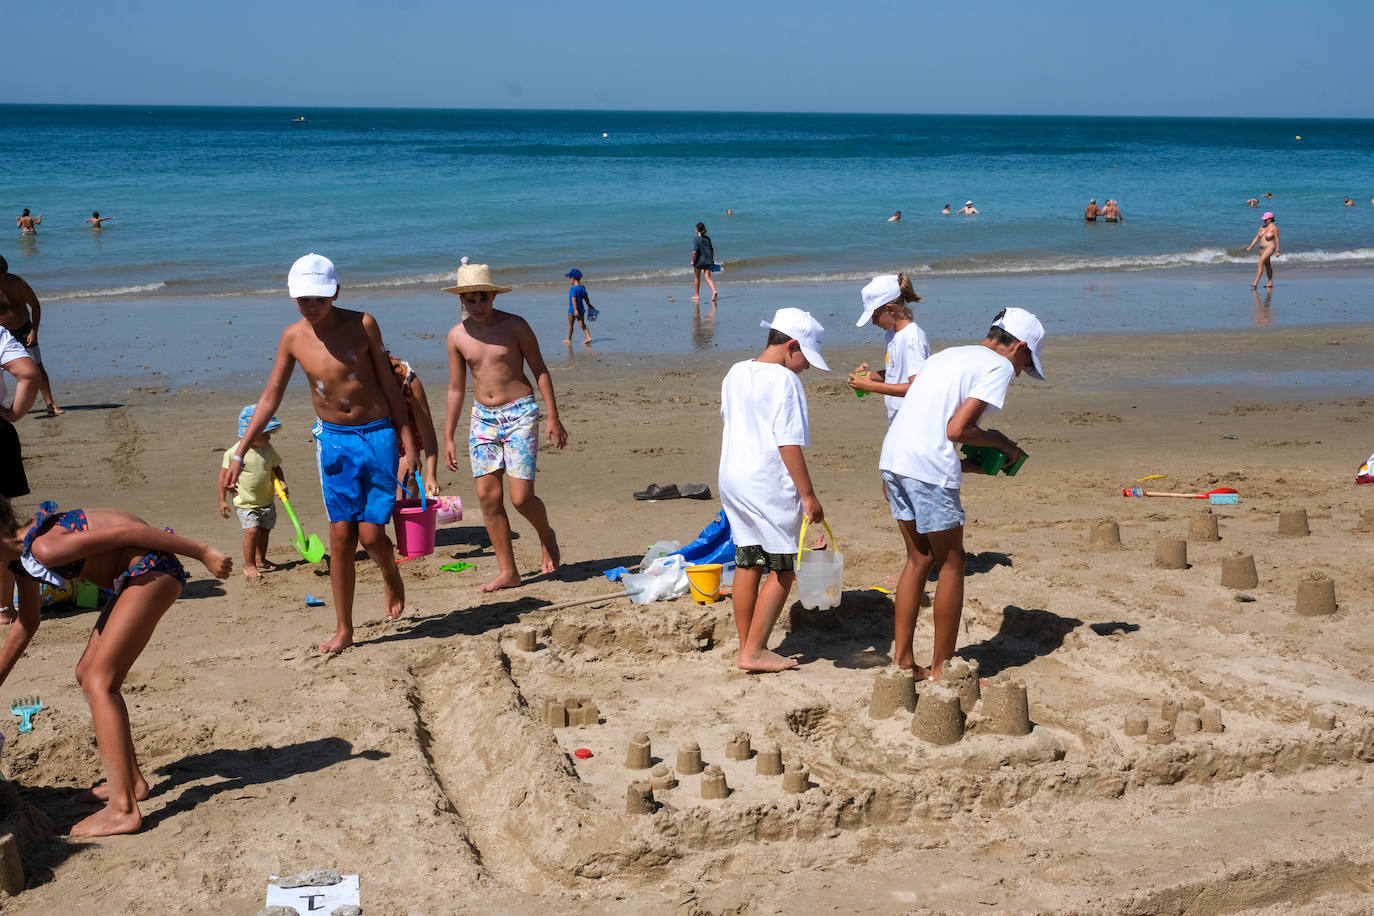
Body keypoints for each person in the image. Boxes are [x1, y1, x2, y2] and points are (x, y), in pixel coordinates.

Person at [0, 495, 232, 836]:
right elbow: (26, 624)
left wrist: (202, 552)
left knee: (99, 682)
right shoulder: (22, 560)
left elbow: (130, 533)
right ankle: (132, 782)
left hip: (152, 572)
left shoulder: (44, 548)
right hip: (133, 578)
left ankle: (123, 809)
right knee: (87, 673)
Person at [227, 253, 418, 654]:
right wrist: (240, 452)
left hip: (378, 436)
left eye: (319, 297)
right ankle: (344, 628)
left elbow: (389, 387)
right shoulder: (293, 337)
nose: (312, 305)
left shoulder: (363, 323)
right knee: (342, 536)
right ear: (293, 298)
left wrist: (409, 446)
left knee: (371, 536)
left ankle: (389, 572)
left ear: (335, 292)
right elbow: (270, 397)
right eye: (303, 299)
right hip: (334, 442)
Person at [878, 307, 1045, 680]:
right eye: (1025, 363)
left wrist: (969, 464)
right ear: (1018, 347)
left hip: (893, 459)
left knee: (917, 560)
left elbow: (931, 427)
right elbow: (957, 429)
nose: (1019, 373)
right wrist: (1002, 443)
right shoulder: (998, 367)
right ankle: (942, 668)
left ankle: (903, 661)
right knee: (952, 563)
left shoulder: (947, 355)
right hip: (925, 469)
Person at [443, 258, 566, 592]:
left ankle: (546, 535)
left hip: (520, 413)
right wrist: (449, 437)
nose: (478, 304)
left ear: (493, 297)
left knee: (521, 498)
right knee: (487, 497)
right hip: (482, 417)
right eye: (471, 299)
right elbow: (456, 388)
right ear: (461, 301)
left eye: (483, 297)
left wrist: (553, 416)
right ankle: (508, 570)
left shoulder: (515, 326)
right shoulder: (457, 336)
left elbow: (540, 370)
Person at [719, 308, 828, 673]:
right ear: (791, 345)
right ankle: (755, 651)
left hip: (732, 477)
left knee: (748, 560)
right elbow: (788, 443)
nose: (806, 367)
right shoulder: (784, 381)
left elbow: (732, 421)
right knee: (782, 566)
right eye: (806, 359)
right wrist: (808, 495)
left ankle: (746, 644)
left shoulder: (735, 371)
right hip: (767, 480)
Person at [848, 274, 928, 422]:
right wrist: (870, 377)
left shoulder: (911, 338)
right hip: (898, 416)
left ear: (890, 309)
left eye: (874, 316)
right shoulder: (892, 335)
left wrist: (871, 387)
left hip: (913, 418)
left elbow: (917, 387)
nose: (873, 322)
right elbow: (897, 371)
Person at [218, 405, 285, 579]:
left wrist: (282, 483)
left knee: (265, 531)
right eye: (264, 433)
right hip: (245, 502)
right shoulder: (234, 453)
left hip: (266, 500)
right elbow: (223, 478)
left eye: (270, 433)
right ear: (249, 433)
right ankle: (249, 564)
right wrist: (222, 500)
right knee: (252, 532)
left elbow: (276, 468)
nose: (268, 437)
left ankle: (261, 558)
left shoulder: (268, 449)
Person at [0, 255, 63, 415]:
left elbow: (35, 305)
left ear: (4, 271)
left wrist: (34, 330)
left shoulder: (17, 284)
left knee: (37, 367)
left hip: (23, 330)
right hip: (2, 335)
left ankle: (50, 403)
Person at [387, 349, 440, 498]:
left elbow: (428, 433)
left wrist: (431, 475)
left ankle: (407, 512)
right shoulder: (359, 378)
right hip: (373, 428)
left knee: (407, 475)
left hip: (404, 430)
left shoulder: (407, 381)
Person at [1246, 212, 1280, 288]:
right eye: (1264, 219)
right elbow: (1257, 237)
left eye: (1265, 219)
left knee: (1260, 263)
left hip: (1270, 247)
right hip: (1262, 249)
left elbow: (1277, 239)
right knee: (1267, 265)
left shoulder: (1274, 228)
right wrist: (1250, 246)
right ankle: (1270, 282)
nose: (1264, 220)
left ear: (1270, 219)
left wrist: (1277, 251)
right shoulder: (1262, 227)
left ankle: (1255, 282)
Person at [563, 268, 593, 345]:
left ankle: (569, 339)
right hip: (581, 309)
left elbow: (573, 299)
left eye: (570, 278)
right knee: (582, 323)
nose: (569, 280)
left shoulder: (573, 288)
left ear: (573, 278)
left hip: (573, 310)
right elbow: (586, 297)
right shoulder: (582, 287)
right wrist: (589, 305)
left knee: (570, 324)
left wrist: (575, 310)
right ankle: (588, 336)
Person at [691, 222, 717, 301]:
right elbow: (712, 250)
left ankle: (697, 295)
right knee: (708, 278)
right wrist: (711, 260)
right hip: (709, 260)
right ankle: (714, 291)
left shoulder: (696, 239)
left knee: (697, 277)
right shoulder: (707, 238)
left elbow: (694, 252)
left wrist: (693, 261)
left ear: (697, 230)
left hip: (699, 261)